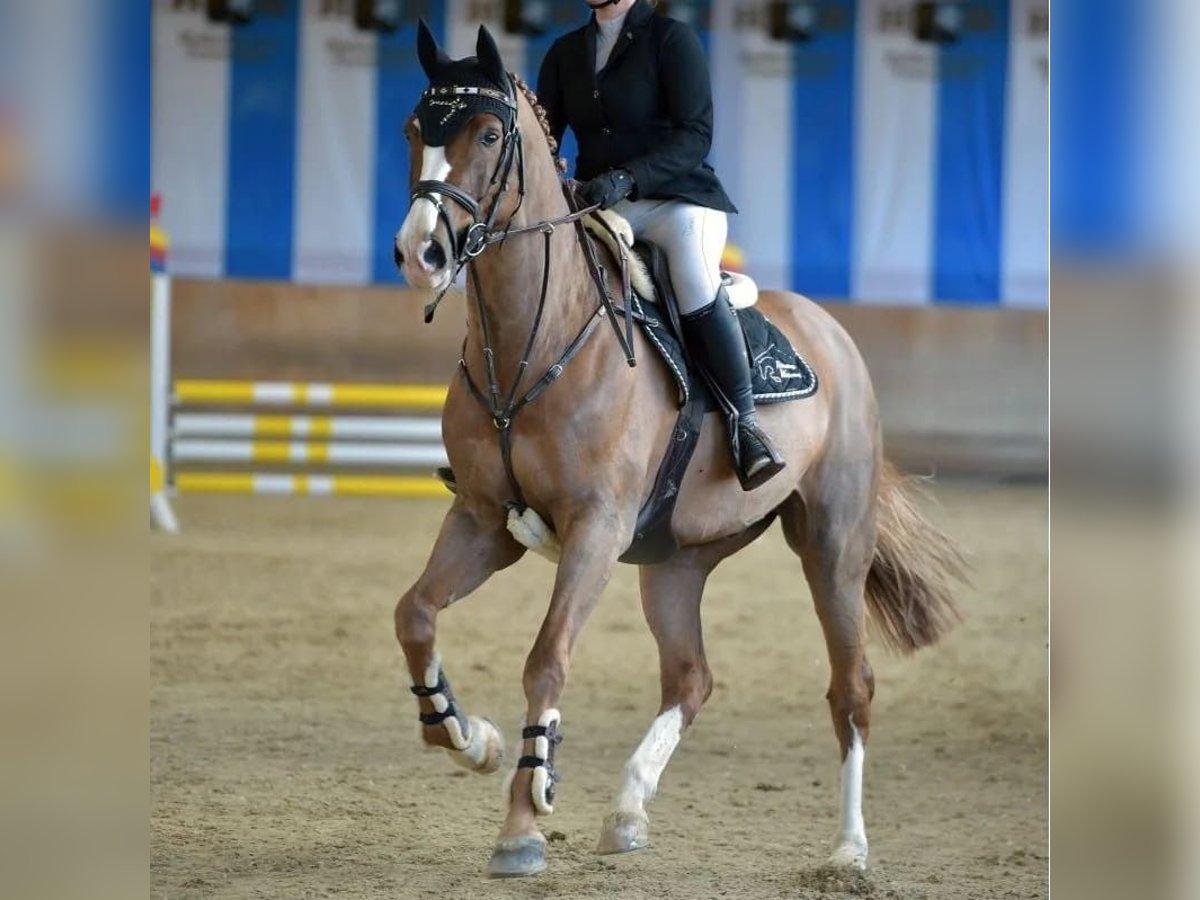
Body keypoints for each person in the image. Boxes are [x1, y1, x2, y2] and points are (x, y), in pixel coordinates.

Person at [537, 0, 784, 490]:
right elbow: (546, 136)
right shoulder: (565, 52)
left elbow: (696, 134)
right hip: (604, 205)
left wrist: (629, 176)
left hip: (678, 202)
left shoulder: (672, 40)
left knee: (692, 279)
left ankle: (745, 424)